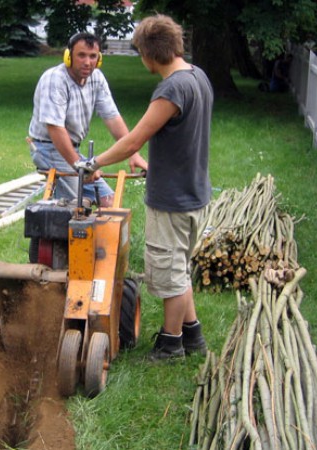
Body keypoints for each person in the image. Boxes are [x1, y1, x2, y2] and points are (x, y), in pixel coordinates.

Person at [75, 14, 211, 362]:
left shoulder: (172, 89)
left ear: (151, 54)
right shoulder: (198, 76)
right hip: (194, 192)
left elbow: (134, 139)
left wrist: (95, 163)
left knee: (169, 275)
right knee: (178, 265)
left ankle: (171, 344)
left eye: (140, 53)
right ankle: (192, 333)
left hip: (173, 199)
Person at [28, 32, 147, 206]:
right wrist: (80, 166)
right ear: (68, 56)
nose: (87, 62)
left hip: (72, 150)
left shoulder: (96, 78)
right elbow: (55, 129)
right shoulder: (54, 80)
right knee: (74, 207)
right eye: (81, 55)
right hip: (48, 148)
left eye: (93, 56)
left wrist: (133, 154)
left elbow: (112, 117)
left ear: (99, 59)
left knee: (109, 201)